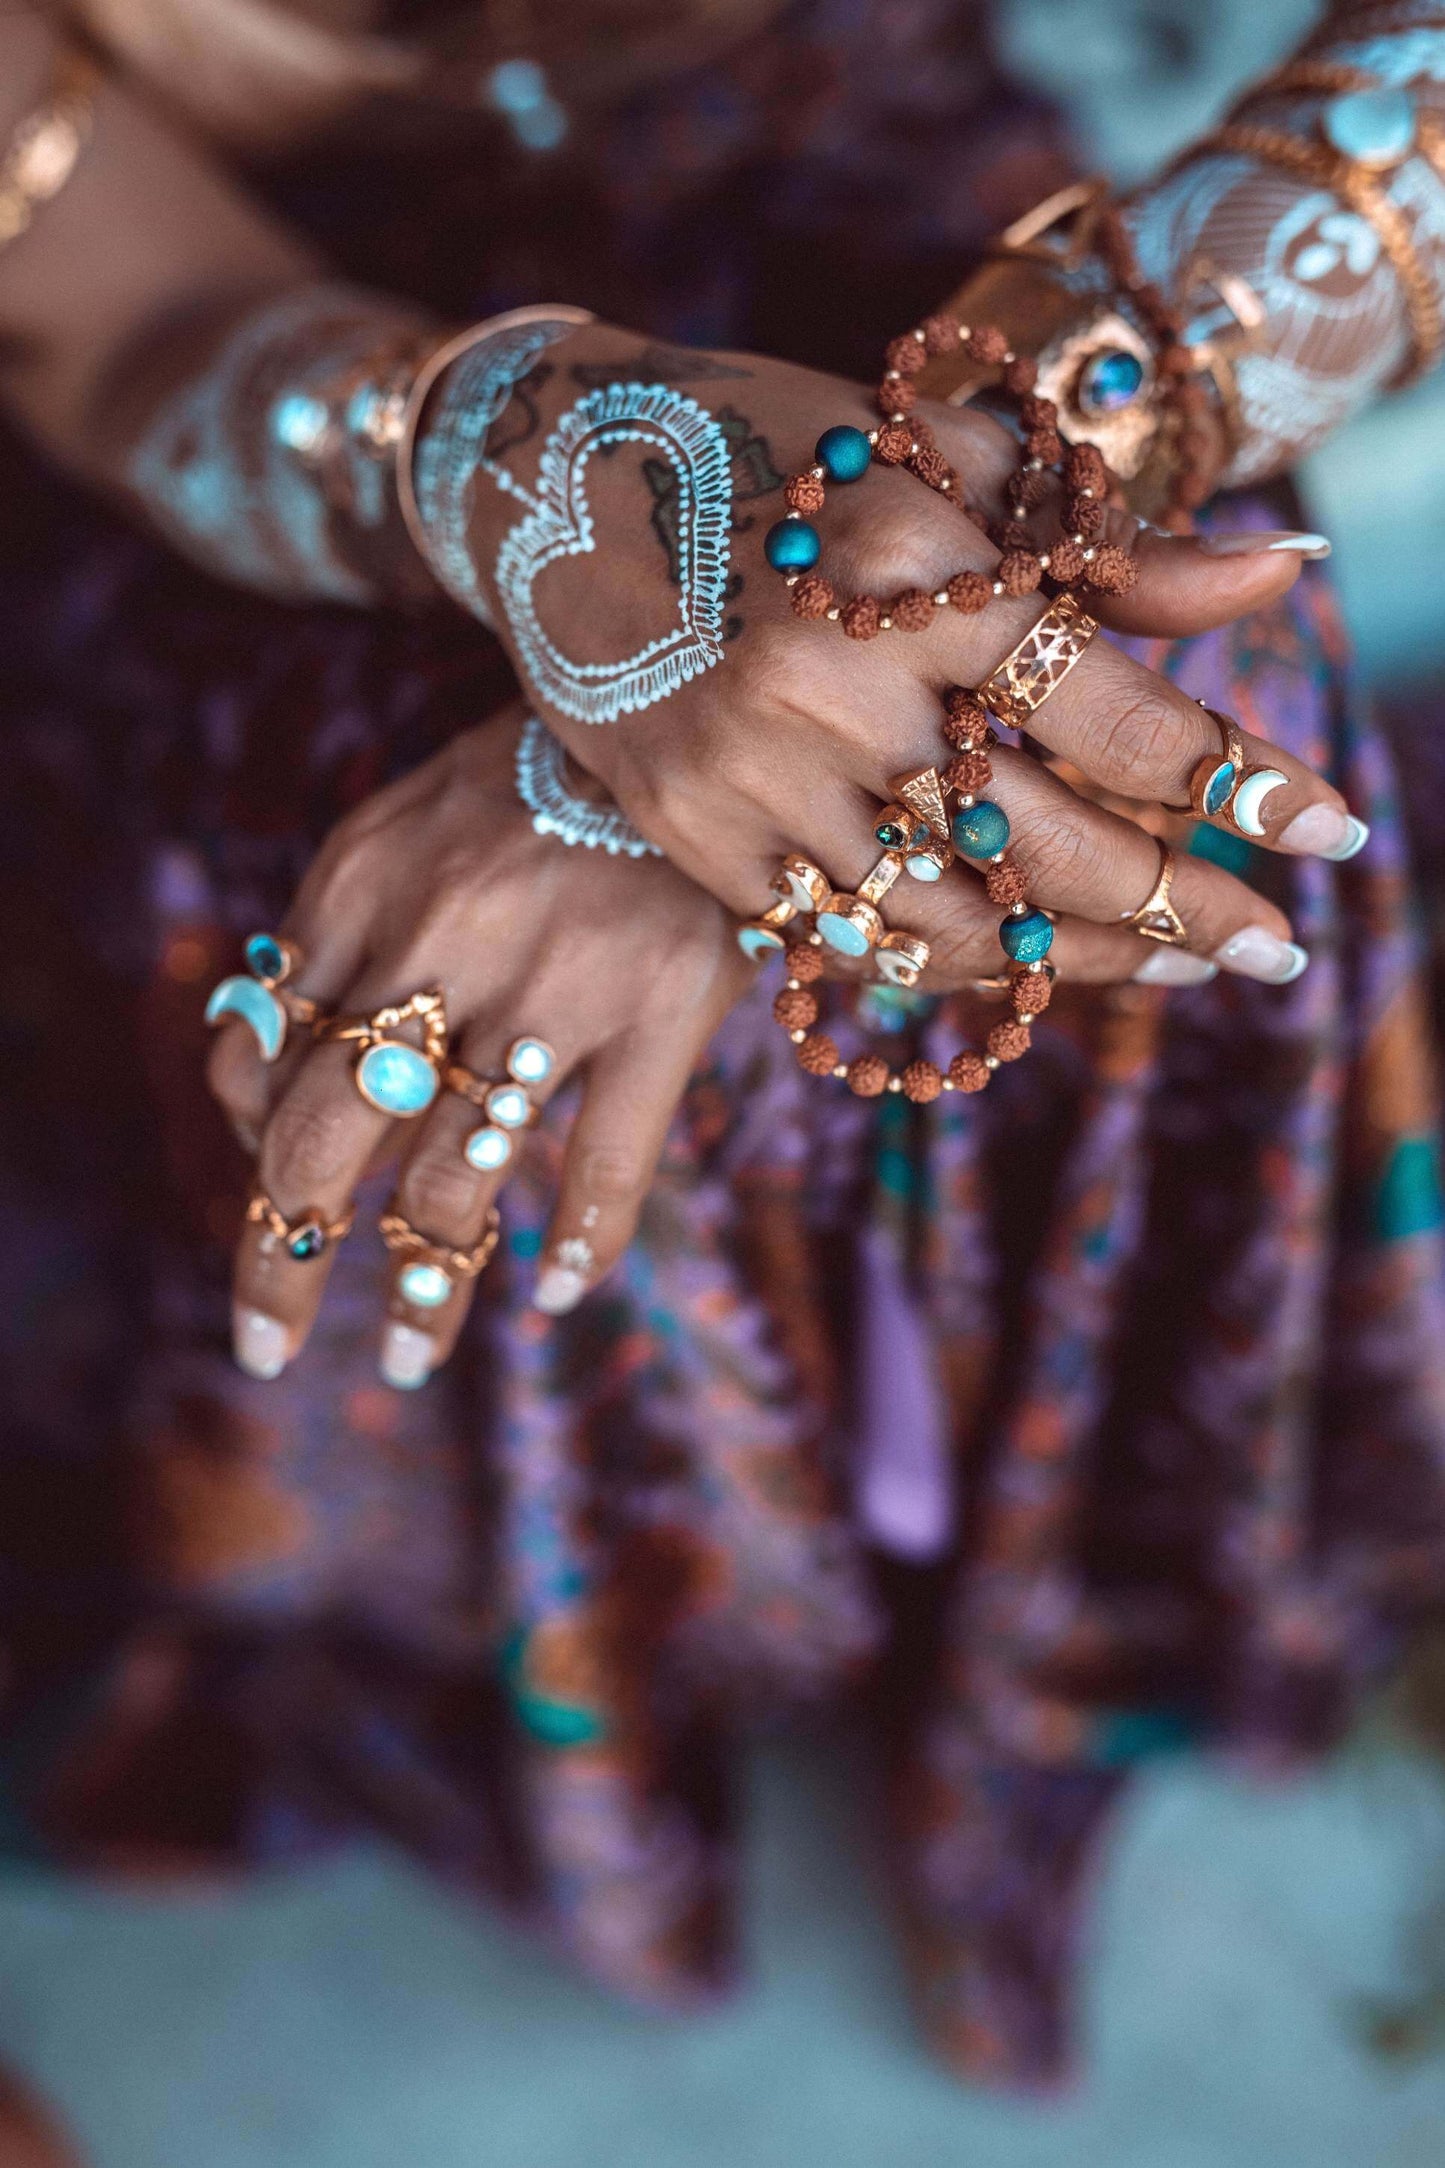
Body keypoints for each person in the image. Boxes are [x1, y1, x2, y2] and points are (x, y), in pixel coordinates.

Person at [2, 0, 1444, 2089]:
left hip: (905, 211)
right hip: (296, 328)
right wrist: (525, 473)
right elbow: (144, 316)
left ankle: (1067, 1602)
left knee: (1182, 678)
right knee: (323, 882)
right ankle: (615, 1652)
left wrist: (836, 587)